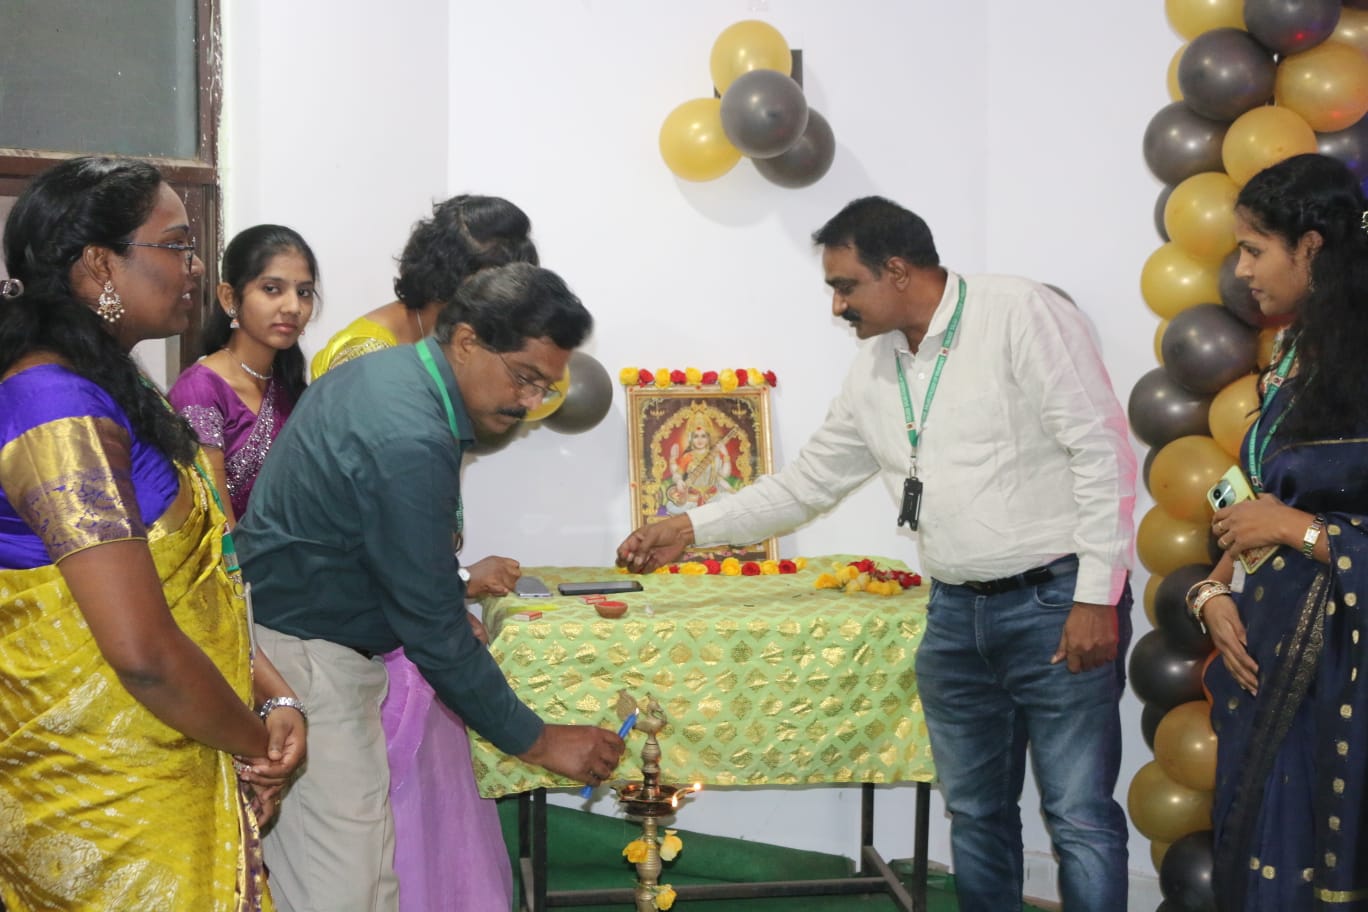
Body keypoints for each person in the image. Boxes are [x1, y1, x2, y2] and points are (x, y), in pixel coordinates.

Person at [618, 196, 1136, 912]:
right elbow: (808, 483)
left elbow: (1102, 451)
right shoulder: (876, 368)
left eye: (845, 286)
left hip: (1056, 604)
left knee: (1078, 818)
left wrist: (1096, 596)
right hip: (953, 615)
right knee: (976, 815)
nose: (837, 306)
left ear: (897, 271)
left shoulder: (1018, 313)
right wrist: (689, 527)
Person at [235, 262, 626, 912]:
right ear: (467, 341)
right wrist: (541, 741)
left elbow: (388, 555)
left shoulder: (390, 375)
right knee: (344, 895)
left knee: (368, 883)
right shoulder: (409, 435)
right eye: (525, 377)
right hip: (305, 661)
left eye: (545, 387)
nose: (530, 402)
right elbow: (433, 631)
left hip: (303, 644)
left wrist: (442, 594)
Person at [0, 156, 306, 911]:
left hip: (171, 754)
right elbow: (142, 653)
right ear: (100, 264)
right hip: (108, 801)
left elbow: (195, 580)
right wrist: (252, 744)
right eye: (176, 245)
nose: (195, 267)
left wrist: (272, 695)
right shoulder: (53, 407)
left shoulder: (117, 381)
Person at [309, 195, 535, 912]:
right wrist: (449, 587)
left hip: (415, 607)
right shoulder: (366, 359)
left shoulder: (436, 353)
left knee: (442, 816)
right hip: (373, 630)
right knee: (399, 818)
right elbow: (366, 526)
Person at [1193, 153, 1368, 911]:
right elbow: (1259, 504)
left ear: (1312, 247)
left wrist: (1299, 530)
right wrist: (1212, 594)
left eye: (1254, 249)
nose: (1242, 270)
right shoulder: (1295, 352)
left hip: (1342, 676)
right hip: (1265, 655)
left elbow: (1287, 516)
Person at [168, 224, 318, 523]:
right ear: (229, 298)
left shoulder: (289, 388)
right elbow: (218, 523)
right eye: (272, 289)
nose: (293, 307)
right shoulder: (200, 390)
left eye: (303, 292)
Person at [663, 414, 739, 514]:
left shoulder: (715, 456)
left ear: (708, 438)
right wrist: (679, 480)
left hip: (712, 497)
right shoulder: (688, 456)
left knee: (729, 501)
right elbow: (677, 474)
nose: (700, 440)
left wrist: (726, 456)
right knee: (671, 506)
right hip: (692, 498)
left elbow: (722, 476)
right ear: (691, 439)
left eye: (703, 436)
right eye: (696, 436)